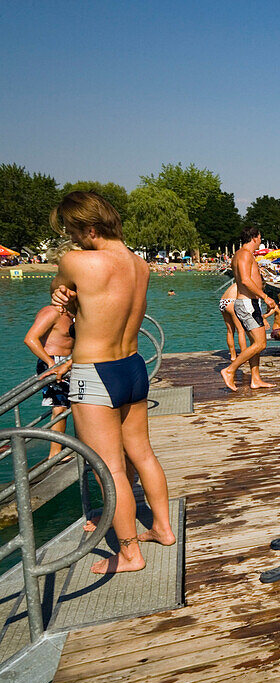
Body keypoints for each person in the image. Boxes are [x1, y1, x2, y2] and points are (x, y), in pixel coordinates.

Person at [48, 191, 176, 574]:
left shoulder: (76, 262)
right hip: (132, 366)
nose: (71, 239)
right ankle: (163, 528)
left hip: (95, 372)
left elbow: (60, 295)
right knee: (143, 453)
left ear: (89, 228)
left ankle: (130, 554)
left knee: (111, 469)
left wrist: (61, 293)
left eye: (72, 231)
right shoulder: (140, 265)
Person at [220, 226, 276, 392]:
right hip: (246, 303)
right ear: (254, 238)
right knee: (260, 344)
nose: (260, 241)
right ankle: (230, 370)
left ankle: (256, 379)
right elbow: (244, 280)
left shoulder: (240, 254)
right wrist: (265, 296)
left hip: (249, 302)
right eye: (260, 237)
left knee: (255, 343)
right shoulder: (244, 254)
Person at [23, 292, 74, 458]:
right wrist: (50, 362)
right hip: (54, 362)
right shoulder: (52, 312)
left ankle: (76, 444)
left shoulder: (73, 313)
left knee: (75, 404)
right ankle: (55, 453)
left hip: (69, 362)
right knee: (59, 407)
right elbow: (30, 339)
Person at [218, 282, 246, 361]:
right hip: (232, 302)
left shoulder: (236, 283)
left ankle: (233, 356)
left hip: (223, 301)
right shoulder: (246, 283)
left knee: (230, 331)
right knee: (241, 330)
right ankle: (244, 356)